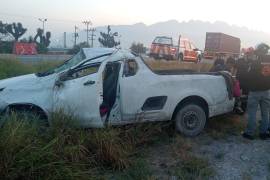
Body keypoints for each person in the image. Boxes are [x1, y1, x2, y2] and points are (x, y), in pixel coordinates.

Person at [242, 49, 270, 140]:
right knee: (265, 114)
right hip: (266, 91)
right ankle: (264, 133)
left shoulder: (255, 63)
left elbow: (247, 76)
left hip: (255, 92)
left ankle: (249, 133)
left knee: (252, 113)